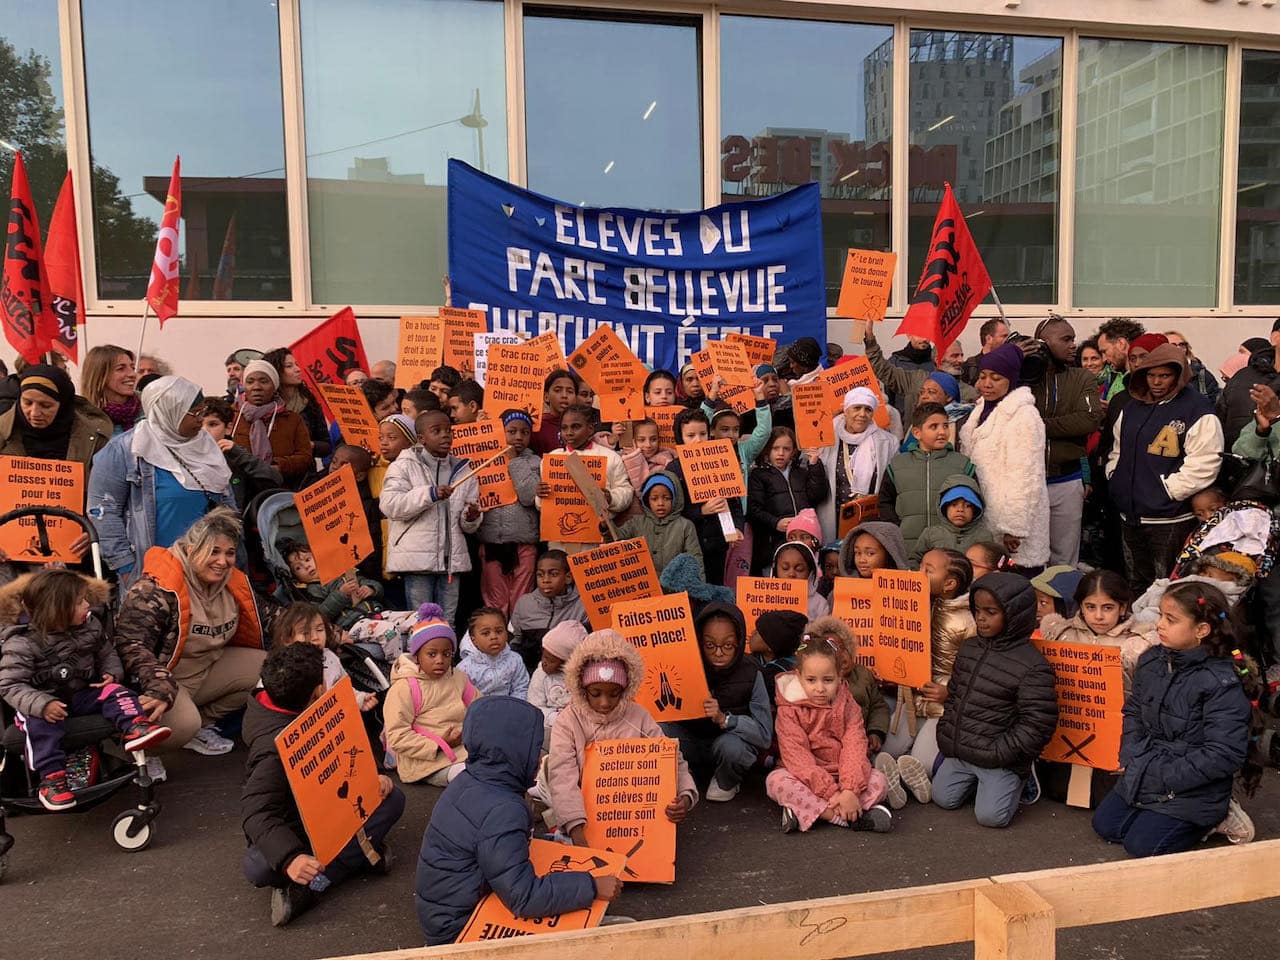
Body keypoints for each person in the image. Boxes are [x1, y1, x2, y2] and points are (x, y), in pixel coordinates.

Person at [415, 696, 617, 945]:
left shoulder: (469, 781)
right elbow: (524, 897)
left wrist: (552, 843)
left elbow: (495, 846)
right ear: (516, 753)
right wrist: (592, 886)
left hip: (443, 914)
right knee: (604, 935)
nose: (540, 758)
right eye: (534, 751)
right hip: (460, 929)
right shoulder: (503, 809)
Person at [1092, 582, 1263, 856]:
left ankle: (1219, 817)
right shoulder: (1152, 660)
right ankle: (1159, 811)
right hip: (1149, 766)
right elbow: (1133, 710)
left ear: (1201, 631)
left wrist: (1164, 776)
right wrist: (1132, 755)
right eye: (1160, 615)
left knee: (1141, 846)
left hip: (1192, 783)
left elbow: (1223, 753)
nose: (1159, 624)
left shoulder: (1222, 681)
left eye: (1170, 619)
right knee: (1106, 827)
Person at [240, 643, 404, 926]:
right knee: (258, 866)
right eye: (325, 678)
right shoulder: (272, 750)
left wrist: (368, 780)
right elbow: (256, 812)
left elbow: (344, 758)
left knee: (393, 799)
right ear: (317, 693)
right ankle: (355, 859)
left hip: (336, 806)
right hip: (297, 827)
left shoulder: (294, 703)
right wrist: (291, 858)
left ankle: (320, 881)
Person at [0, 569, 172, 810]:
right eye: (80, 601)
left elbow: (106, 653)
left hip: (82, 693)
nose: (87, 605)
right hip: (41, 701)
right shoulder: (21, 643)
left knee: (117, 692)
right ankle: (52, 779)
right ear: (58, 609)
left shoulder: (90, 626)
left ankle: (136, 727)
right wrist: (42, 704)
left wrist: (111, 674)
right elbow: (10, 685)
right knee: (37, 724)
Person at [113, 508, 274, 759]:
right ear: (190, 551)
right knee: (183, 725)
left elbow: (274, 617)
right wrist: (159, 685)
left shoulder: (232, 581)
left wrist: (326, 631)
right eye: (213, 552)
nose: (222, 561)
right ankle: (139, 755)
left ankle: (201, 723)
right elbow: (129, 644)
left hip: (207, 671)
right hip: (164, 682)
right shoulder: (154, 588)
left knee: (273, 669)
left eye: (229, 553)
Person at [545, 629, 697, 842]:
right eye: (595, 693)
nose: (605, 703)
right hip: (585, 816)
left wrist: (684, 795)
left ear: (626, 689)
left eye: (614, 693)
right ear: (581, 687)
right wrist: (575, 826)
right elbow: (562, 775)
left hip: (636, 816)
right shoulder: (568, 721)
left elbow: (671, 758)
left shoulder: (639, 716)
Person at [933, 572, 1058, 827]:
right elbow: (956, 694)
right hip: (964, 750)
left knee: (991, 818)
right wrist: (948, 734)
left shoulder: (1033, 666)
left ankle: (1021, 780)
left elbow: (1038, 724)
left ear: (1014, 615)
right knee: (942, 798)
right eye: (977, 610)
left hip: (1001, 758)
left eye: (991, 612)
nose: (981, 617)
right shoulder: (969, 647)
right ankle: (982, 786)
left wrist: (1002, 753)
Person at [88, 377, 236, 585]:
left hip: (208, 574)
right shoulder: (125, 450)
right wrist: (128, 569)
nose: (200, 420)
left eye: (203, 411)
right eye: (194, 413)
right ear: (168, 411)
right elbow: (103, 512)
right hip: (153, 575)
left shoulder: (206, 447)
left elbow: (227, 504)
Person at [1106, 343, 1224, 592]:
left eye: (1164, 375)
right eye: (1151, 375)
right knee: (1136, 583)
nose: (1156, 382)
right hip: (1130, 515)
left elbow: (1205, 461)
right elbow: (1118, 449)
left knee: (1168, 585)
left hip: (1170, 519)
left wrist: (1168, 491)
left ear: (1178, 376)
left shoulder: (1197, 409)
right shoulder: (1132, 406)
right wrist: (1114, 476)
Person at [767, 633, 892, 833]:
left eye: (827, 680)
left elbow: (855, 744)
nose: (820, 688)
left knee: (880, 781)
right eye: (811, 680)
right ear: (799, 676)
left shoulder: (847, 703)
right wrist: (833, 794)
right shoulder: (789, 709)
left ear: (839, 676)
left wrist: (850, 790)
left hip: (843, 775)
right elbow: (797, 757)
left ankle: (805, 812)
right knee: (776, 782)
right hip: (805, 777)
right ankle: (846, 817)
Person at [881, 548, 975, 805]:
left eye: (927, 570)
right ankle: (896, 777)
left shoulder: (968, 619)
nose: (918, 573)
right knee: (885, 750)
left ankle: (916, 773)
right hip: (913, 698)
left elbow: (976, 669)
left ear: (949, 584)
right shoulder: (915, 604)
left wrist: (950, 692)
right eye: (920, 565)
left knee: (922, 761)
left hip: (945, 706)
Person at [661, 603, 772, 802]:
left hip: (726, 743)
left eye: (727, 645)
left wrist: (726, 719)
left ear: (738, 642)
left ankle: (726, 780)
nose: (718, 653)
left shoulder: (752, 672)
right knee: (658, 731)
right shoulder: (683, 664)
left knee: (733, 748)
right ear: (699, 643)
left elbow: (764, 735)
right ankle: (678, 777)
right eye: (710, 645)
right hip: (691, 743)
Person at [380, 409, 478, 624]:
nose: (445, 435)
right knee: (421, 622)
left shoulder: (464, 469)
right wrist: (429, 494)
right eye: (437, 431)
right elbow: (390, 505)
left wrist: (471, 517)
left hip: (451, 562)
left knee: (448, 621)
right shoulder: (403, 466)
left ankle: (448, 657)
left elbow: (467, 526)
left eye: (448, 430)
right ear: (421, 439)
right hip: (417, 561)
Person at [958, 343, 1049, 573]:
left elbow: (1027, 475)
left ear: (1011, 378)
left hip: (1013, 526)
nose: (987, 384)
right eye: (983, 376)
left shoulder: (1024, 415)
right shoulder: (980, 410)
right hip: (985, 516)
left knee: (1015, 585)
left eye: (996, 378)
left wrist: (1013, 527)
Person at [1029, 318, 1103, 567]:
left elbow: (1090, 420)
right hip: (1028, 482)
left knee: (1064, 558)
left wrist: (1039, 426)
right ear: (1044, 343)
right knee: (1028, 557)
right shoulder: (1025, 377)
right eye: (1066, 339)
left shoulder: (1082, 377)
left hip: (1067, 480)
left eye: (1073, 338)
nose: (1074, 345)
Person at [383, 605, 478, 784]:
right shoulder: (405, 688)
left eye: (446, 653)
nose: (440, 660)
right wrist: (441, 744)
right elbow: (397, 736)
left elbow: (479, 708)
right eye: (432, 654)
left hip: (466, 749)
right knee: (474, 778)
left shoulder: (457, 677)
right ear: (417, 655)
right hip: (428, 762)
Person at [878, 402, 975, 555]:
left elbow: (974, 505)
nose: (942, 432)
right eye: (934, 427)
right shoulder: (897, 465)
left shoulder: (962, 465)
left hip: (949, 550)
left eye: (945, 426)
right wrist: (896, 528)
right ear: (917, 433)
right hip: (906, 547)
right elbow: (885, 501)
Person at [1039, 570, 1156, 694]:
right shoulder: (1060, 634)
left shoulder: (1140, 644)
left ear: (1122, 608)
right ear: (1081, 607)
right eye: (1090, 607)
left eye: (1108, 608)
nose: (1098, 616)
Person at [535, 404, 633, 552]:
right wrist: (540, 495)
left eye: (576, 427)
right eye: (564, 428)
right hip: (560, 539)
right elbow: (542, 506)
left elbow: (626, 491)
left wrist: (610, 497)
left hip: (598, 539)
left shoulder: (610, 457)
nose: (569, 433)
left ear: (590, 429)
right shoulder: (552, 459)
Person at [666, 408, 744, 587]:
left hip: (717, 544)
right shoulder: (674, 469)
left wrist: (737, 527)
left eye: (702, 434)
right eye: (690, 435)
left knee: (715, 588)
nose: (698, 440)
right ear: (680, 438)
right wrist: (701, 511)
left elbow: (734, 503)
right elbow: (671, 510)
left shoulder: (723, 461)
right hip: (688, 545)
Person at [474, 410, 541, 618]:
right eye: (511, 431)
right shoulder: (484, 460)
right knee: (495, 600)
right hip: (492, 543)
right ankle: (496, 641)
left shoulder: (535, 462)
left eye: (525, 432)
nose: (518, 437)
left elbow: (529, 496)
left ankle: (517, 641)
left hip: (524, 544)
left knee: (521, 599)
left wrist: (514, 461)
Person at [816, 387, 898, 544]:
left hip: (869, 519)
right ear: (846, 411)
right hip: (833, 516)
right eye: (857, 408)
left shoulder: (888, 442)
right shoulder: (825, 436)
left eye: (868, 409)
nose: (862, 414)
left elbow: (892, 485)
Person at [0, 363, 111, 475]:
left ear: (63, 405)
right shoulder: (3, 433)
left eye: (45, 405)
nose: (34, 413)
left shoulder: (94, 438)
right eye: (27, 403)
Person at [747, 427, 829, 573]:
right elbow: (753, 510)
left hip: (803, 541)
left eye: (786, 449)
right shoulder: (758, 475)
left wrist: (815, 465)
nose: (781, 453)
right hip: (773, 543)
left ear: (793, 452)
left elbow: (817, 495)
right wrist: (775, 523)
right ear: (767, 450)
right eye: (775, 448)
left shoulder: (801, 472)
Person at [865, 326, 976, 426]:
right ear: (938, 359)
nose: (961, 360)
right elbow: (884, 370)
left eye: (961, 355)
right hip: (912, 445)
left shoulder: (971, 393)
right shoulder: (916, 380)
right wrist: (870, 339)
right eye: (954, 356)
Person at [230, 359, 313, 487]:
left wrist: (277, 467)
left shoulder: (292, 419)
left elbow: (305, 457)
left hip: (283, 489)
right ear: (244, 386)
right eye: (250, 382)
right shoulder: (232, 416)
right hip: (241, 489)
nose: (256, 387)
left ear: (275, 386)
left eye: (264, 381)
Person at [509, 550, 588, 674]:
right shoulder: (524, 603)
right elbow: (515, 642)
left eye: (553, 574)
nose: (546, 580)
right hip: (528, 673)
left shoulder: (583, 605)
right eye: (540, 575)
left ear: (568, 577)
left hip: (568, 674)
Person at [198, 397, 283, 509]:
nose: (204, 431)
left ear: (228, 428)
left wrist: (240, 456)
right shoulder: (185, 457)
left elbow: (275, 479)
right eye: (199, 424)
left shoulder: (235, 456)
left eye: (213, 424)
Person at [279, 540, 384, 631]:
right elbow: (320, 615)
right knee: (388, 632)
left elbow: (375, 586)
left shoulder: (339, 570)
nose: (306, 566)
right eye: (298, 568)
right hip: (353, 624)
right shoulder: (311, 591)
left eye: (308, 560)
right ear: (295, 576)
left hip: (376, 611)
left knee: (400, 619)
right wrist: (341, 594)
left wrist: (371, 589)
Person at [616, 473, 703, 578]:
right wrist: (605, 526)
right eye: (654, 498)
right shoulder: (636, 523)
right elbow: (615, 539)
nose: (660, 503)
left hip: (675, 590)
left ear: (675, 499)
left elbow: (695, 560)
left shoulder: (685, 526)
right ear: (647, 500)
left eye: (666, 498)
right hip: (645, 587)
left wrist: (698, 591)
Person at [261, 348, 330, 461]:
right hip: (274, 471)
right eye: (289, 366)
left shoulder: (308, 402)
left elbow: (326, 446)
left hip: (306, 472)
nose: (297, 369)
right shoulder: (264, 407)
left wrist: (310, 445)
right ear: (275, 371)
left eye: (296, 364)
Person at [909, 475, 991, 567]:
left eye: (967, 505)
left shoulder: (984, 536)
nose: (960, 509)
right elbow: (914, 560)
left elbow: (991, 565)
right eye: (954, 504)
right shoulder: (930, 534)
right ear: (945, 507)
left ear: (976, 510)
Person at [528, 620, 586, 745]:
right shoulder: (541, 675)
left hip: (577, 729)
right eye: (543, 656)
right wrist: (555, 718)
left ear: (567, 662)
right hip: (547, 727)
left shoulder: (581, 678)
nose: (544, 662)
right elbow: (534, 707)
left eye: (551, 660)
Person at [457, 607, 529, 699]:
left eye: (499, 631)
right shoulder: (465, 668)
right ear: (473, 640)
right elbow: (463, 698)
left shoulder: (515, 660)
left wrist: (514, 708)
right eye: (486, 633)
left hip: (510, 708)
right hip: (479, 710)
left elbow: (521, 687)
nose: (494, 637)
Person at [618, 418, 675, 520]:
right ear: (633, 441)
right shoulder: (623, 457)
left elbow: (643, 490)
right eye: (641, 440)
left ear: (659, 440)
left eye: (653, 439)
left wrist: (635, 458)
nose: (648, 445)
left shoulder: (666, 462)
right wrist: (613, 438)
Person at [748, 609, 807, 708]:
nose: (752, 633)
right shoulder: (752, 661)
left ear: (770, 646)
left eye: (758, 632)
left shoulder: (778, 675)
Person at [80, 344, 139, 435]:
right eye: (121, 369)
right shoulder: (82, 420)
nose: (132, 374)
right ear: (100, 374)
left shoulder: (149, 409)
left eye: (132, 367)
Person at [772, 542, 831, 619]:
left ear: (810, 573)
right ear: (775, 571)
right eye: (785, 568)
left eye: (799, 569)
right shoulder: (766, 599)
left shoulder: (820, 604)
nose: (791, 574)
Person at [1094, 317, 1147, 402]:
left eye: (1104, 351)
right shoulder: (1112, 376)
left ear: (1121, 344)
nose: (1104, 359)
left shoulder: (1146, 376)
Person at [839, 520, 908, 579]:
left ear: (889, 553)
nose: (861, 560)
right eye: (857, 553)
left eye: (870, 553)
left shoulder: (909, 589)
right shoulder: (841, 589)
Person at [1163, 331, 1219, 402]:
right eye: (1173, 345)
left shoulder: (1202, 375)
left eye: (1182, 344)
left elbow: (1213, 403)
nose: (1178, 348)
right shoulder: (1156, 374)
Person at [531, 369, 577, 455]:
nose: (564, 395)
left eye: (570, 391)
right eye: (557, 390)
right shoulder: (536, 428)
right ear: (546, 396)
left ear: (576, 398)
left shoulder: (583, 428)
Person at [960, 319, 1010, 386]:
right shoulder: (969, 367)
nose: (1008, 340)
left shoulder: (1011, 363)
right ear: (989, 339)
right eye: (1004, 336)